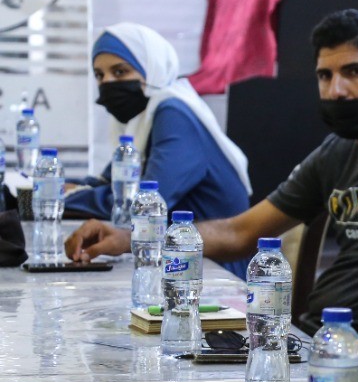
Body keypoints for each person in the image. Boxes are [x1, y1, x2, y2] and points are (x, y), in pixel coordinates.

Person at [66, 9, 358, 362]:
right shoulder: (337, 153)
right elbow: (240, 232)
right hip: (313, 342)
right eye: (325, 76)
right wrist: (131, 239)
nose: (336, 90)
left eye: (354, 72)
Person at [68, 23, 253, 276]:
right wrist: (61, 188)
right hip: (174, 258)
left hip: (214, 269)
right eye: (100, 75)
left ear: (152, 69)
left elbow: (143, 203)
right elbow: (110, 182)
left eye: (120, 72)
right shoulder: (142, 120)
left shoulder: (173, 114)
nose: (107, 83)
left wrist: (64, 197)